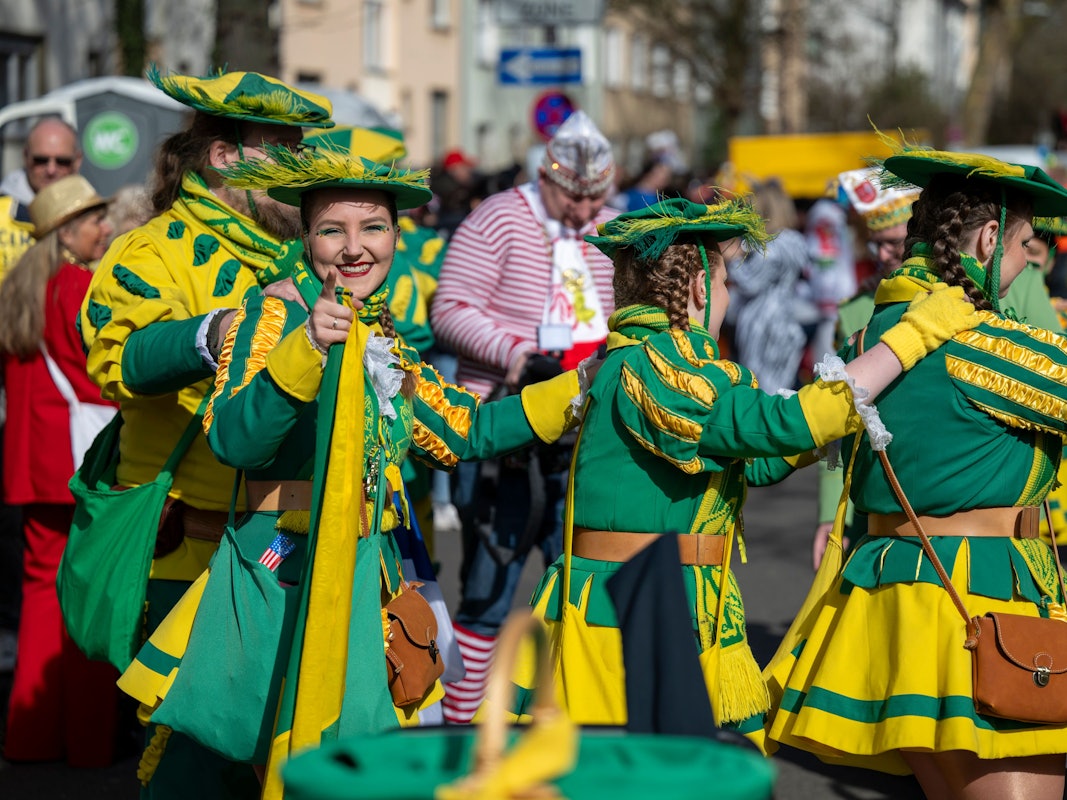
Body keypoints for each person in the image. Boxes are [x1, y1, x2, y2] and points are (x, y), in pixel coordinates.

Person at [117, 147, 588, 798]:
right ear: (307, 238)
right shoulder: (274, 314)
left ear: (395, 236)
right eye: (332, 230)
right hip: (278, 571)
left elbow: (465, 429)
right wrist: (307, 346)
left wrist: (579, 388)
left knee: (345, 767)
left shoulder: (382, 333)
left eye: (373, 228)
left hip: (367, 570)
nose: (355, 248)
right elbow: (234, 440)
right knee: (225, 764)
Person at [499, 196, 979, 747]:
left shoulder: (647, 362)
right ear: (699, 289)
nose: (728, 296)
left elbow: (758, 461)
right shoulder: (659, 367)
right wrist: (912, 337)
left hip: (682, 598)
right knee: (653, 769)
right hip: (631, 606)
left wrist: (848, 407)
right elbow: (785, 426)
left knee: (707, 765)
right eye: (726, 283)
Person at [765, 147, 1067, 799]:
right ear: (988, 239)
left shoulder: (863, 339)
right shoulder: (984, 344)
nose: (1026, 264)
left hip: (890, 598)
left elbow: (784, 444)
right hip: (978, 597)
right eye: (1023, 246)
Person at [77, 67, 334, 800]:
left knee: (273, 757)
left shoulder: (299, 256)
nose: (304, 169)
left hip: (285, 548)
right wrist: (218, 330)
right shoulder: (151, 250)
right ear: (224, 157)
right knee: (190, 765)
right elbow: (117, 358)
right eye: (285, 151)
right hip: (191, 557)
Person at [430, 109, 619, 723]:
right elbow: (449, 309)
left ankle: (560, 727)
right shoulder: (498, 217)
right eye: (573, 197)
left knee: (581, 591)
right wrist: (515, 355)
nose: (585, 211)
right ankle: (460, 728)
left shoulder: (610, 226)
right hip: (505, 429)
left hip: (585, 437)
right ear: (546, 177)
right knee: (489, 589)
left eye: (595, 198)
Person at [0, 175, 119, 766]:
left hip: (32, 463)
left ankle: (29, 735)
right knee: (89, 599)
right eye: (94, 219)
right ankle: (91, 742)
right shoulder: (78, 286)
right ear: (66, 232)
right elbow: (104, 371)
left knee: (41, 597)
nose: (105, 228)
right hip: (78, 462)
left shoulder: (20, 286)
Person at [812, 167, 921, 568]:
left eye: (893, 243)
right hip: (873, 501)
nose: (882, 255)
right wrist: (831, 515)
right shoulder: (855, 310)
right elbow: (836, 420)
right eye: (875, 244)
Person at [727, 178, 808, 395]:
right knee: (781, 387)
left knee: (762, 389)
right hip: (786, 317)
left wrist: (732, 259)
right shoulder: (794, 240)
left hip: (764, 323)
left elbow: (750, 284)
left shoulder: (771, 248)